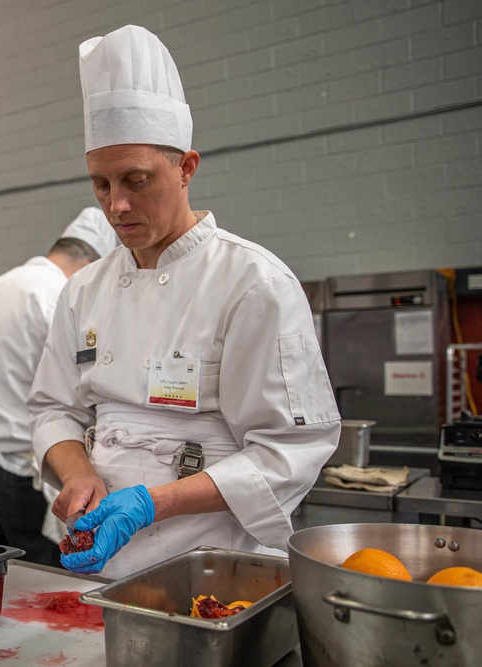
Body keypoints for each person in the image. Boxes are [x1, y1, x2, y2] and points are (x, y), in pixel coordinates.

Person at [28, 25, 341, 579]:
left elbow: (289, 450)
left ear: (186, 167)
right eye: (100, 184)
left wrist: (154, 502)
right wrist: (75, 471)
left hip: (211, 560)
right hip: (95, 557)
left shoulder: (252, 283)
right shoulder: (84, 290)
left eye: (137, 179)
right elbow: (55, 409)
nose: (117, 205)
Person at [0, 207, 119, 567]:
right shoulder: (59, 295)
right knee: (44, 585)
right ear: (92, 264)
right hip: (20, 471)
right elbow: (71, 390)